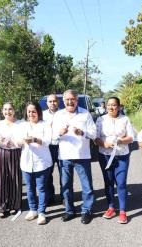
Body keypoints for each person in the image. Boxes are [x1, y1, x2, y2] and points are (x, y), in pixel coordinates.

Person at [52, 89, 96, 224]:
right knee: (66, 186)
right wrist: (60, 133)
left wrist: (82, 132)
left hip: (82, 156)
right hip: (65, 156)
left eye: (73, 99)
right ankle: (70, 211)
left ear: (77, 100)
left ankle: (86, 211)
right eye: (67, 100)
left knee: (87, 186)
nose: (70, 102)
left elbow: (94, 134)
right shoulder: (58, 115)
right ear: (63, 101)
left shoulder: (85, 113)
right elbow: (52, 138)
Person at [94, 97, 134, 224]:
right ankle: (111, 207)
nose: (111, 107)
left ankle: (122, 211)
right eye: (109, 105)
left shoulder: (125, 119)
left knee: (121, 183)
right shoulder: (101, 119)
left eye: (114, 105)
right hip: (105, 155)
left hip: (122, 155)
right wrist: (104, 144)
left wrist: (121, 141)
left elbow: (131, 137)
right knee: (108, 182)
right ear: (106, 107)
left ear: (119, 106)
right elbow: (95, 137)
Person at [15, 102, 52, 225]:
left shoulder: (45, 125)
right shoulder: (22, 125)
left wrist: (34, 139)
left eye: (34, 111)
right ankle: (33, 210)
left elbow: (47, 141)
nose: (31, 114)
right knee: (30, 188)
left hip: (41, 162)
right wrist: (22, 141)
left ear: (38, 112)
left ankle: (42, 212)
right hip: (26, 162)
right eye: (29, 111)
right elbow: (16, 142)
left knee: (41, 188)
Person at [0, 103, 22, 218]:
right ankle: (1, 207)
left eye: (10, 109)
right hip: (1, 152)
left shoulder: (21, 124)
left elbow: (24, 139)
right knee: (1, 178)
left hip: (16, 152)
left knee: (15, 178)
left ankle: (15, 205)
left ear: (14, 110)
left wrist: (16, 142)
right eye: (5, 109)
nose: (8, 112)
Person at [42, 94, 61, 205]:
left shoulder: (63, 114)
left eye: (54, 101)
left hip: (62, 147)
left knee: (64, 173)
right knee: (47, 174)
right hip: (47, 147)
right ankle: (50, 197)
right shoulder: (43, 115)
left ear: (58, 102)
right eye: (50, 101)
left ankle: (65, 197)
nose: (52, 103)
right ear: (47, 103)